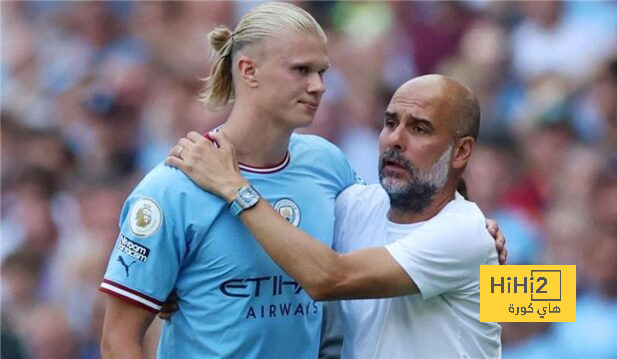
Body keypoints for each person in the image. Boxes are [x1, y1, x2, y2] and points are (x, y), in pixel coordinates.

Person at [165, 74, 502, 358]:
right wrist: (190, 279)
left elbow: (328, 278)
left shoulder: (465, 233)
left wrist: (232, 185)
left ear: (462, 151)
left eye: (419, 128)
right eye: (389, 123)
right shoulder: (353, 207)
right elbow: (279, 237)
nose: (395, 140)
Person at [99, 3, 361, 358]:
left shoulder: (329, 165)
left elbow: (368, 260)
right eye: (301, 70)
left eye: (321, 72)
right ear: (248, 70)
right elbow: (118, 341)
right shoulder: (173, 187)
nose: (318, 86)